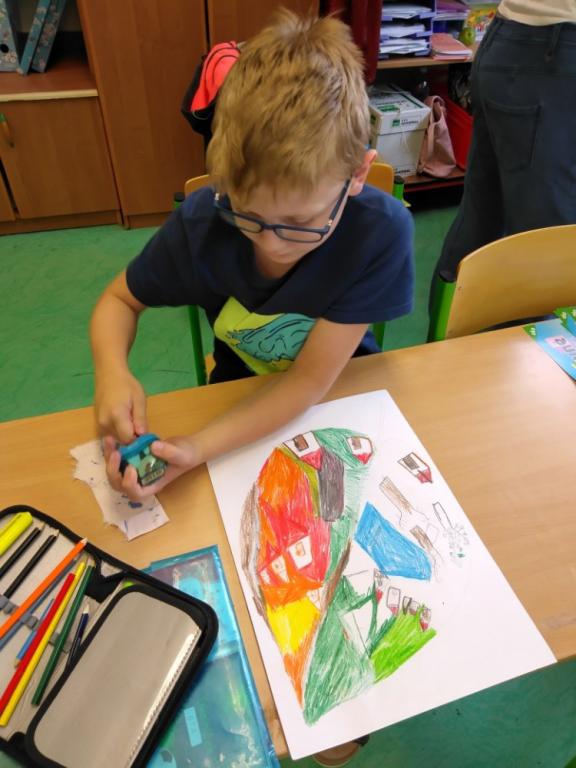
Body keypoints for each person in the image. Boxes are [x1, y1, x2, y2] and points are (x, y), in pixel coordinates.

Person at [90, 10, 414, 504]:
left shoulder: (380, 233)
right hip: (237, 397)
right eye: (248, 214)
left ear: (357, 174)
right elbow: (118, 301)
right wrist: (112, 371)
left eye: (300, 223)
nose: (271, 244)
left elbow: (309, 381)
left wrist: (197, 447)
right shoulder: (204, 221)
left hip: (341, 399)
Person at [434, 0, 576, 284]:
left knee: (487, 216)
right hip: (547, 50)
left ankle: (460, 311)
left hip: (525, 43)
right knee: (546, 240)